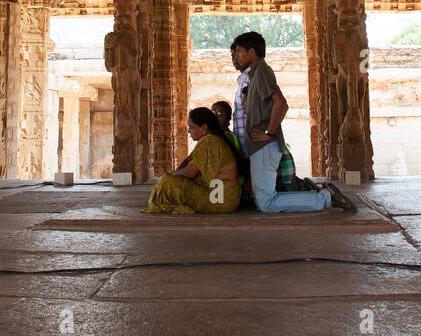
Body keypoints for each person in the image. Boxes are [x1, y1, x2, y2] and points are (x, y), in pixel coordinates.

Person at [230, 31, 355, 214]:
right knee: (264, 200)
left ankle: (325, 197)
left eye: (240, 51)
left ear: (252, 51)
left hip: (264, 145)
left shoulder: (262, 71)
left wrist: (269, 133)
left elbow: (281, 103)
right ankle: (322, 195)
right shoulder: (255, 74)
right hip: (260, 146)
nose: (237, 56)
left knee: (266, 203)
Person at [142, 106, 241, 215]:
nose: (189, 131)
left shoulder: (209, 141)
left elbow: (190, 172)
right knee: (169, 178)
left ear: (203, 128)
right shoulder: (212, 139)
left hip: (220, 198)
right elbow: (188, 163)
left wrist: (171, 175)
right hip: (227, 198)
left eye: (192, 127)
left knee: (169, 182)